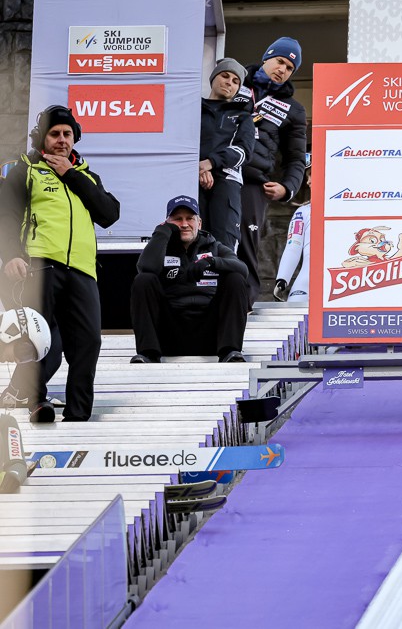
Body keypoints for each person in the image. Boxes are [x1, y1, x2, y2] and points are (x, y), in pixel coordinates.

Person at [0, 105, 120, 422]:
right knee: (40, 338)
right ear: (42, 137)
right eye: (55, 134)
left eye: (67, 134)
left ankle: (78, 414)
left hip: (83, 270)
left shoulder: (87, 176)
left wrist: (70, 174)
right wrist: (12, 255)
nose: (62, 140)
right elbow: (6, 216)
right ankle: (36, 402)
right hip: (39, 265)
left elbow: (109, 214)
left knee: (89, 341)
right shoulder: (25, 170)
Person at [233, 37, 308, 306]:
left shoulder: (294, 109)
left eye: (289, 68)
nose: (282, 70)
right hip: (217, 174)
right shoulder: (234, 82)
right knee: (212, 238)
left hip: (254, 182)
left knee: (248, 242)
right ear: (266, 58)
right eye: (279, 61)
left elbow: (296, 158)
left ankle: (244, 303)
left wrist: (287, 187)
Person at [130, 195, 250, 363]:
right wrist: (162, 232)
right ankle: (148, 353)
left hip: (211, 335)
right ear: (168, 222)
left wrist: (212, 262)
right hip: (170, 335)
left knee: (235, 279)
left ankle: (230, 350)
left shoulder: (215, 247)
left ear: (199, 223)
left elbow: (243, 270)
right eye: (178, 219)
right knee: (143, 280)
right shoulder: (160, 249)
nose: (184, 224)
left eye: (189, 218)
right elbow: (145, 268)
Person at [199, 57, 255, 251]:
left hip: (227, 181)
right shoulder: (193, 109)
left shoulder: (243, 116)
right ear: (213, 78)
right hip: (192, 178)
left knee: (224, 244)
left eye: (235, 81)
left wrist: (211, 162)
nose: (229, 82)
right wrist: (199, 168)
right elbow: (182, 143)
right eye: (225, 76)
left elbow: (244, 152)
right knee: (193, 239)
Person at [273, 153, 311, 303]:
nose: (308, 181)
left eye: (312, 175)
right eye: (307, 176)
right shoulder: (303, 211)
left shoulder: (351, 210)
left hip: (344, 278)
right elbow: (293, 246)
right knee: (295, 309)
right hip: (308, 279)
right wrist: (282, 279)